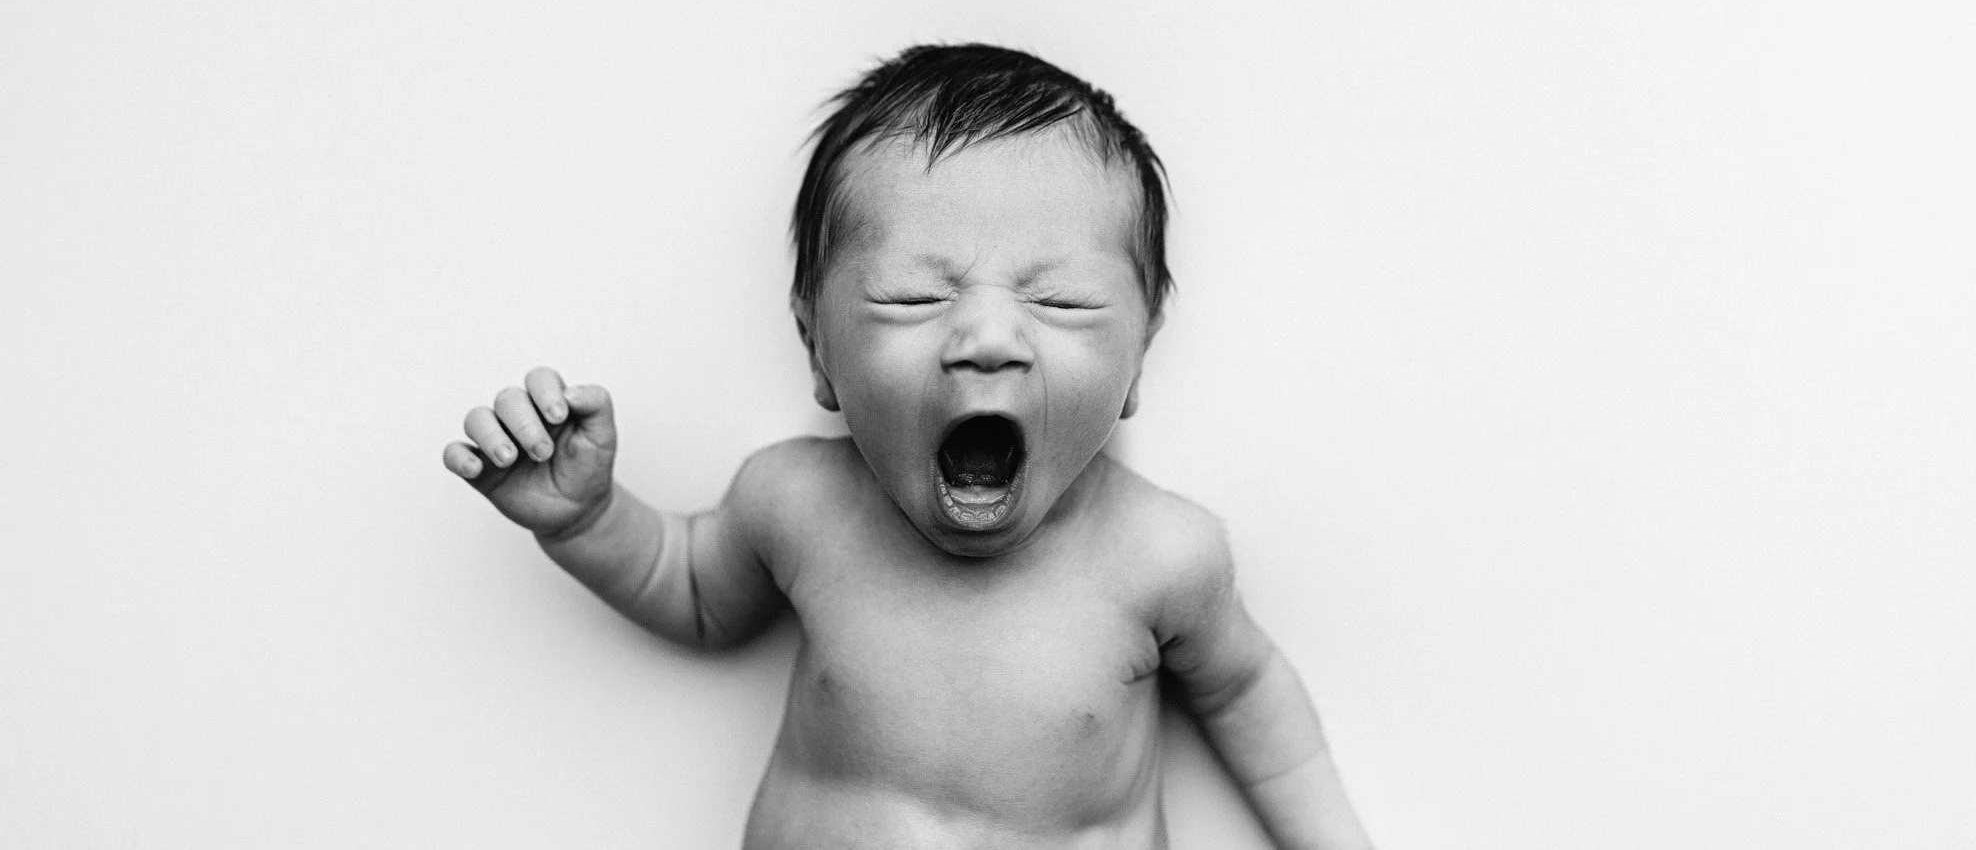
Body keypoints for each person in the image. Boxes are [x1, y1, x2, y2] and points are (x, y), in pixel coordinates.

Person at [441, 43, 1374, 849]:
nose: (988, 337)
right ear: (818, 346)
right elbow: (689, 590)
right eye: (912, 297)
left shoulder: (1161, 556)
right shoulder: (797, 504)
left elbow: (1252, 700)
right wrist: (588, 518)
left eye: (1060, 301)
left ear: (1140, 359)